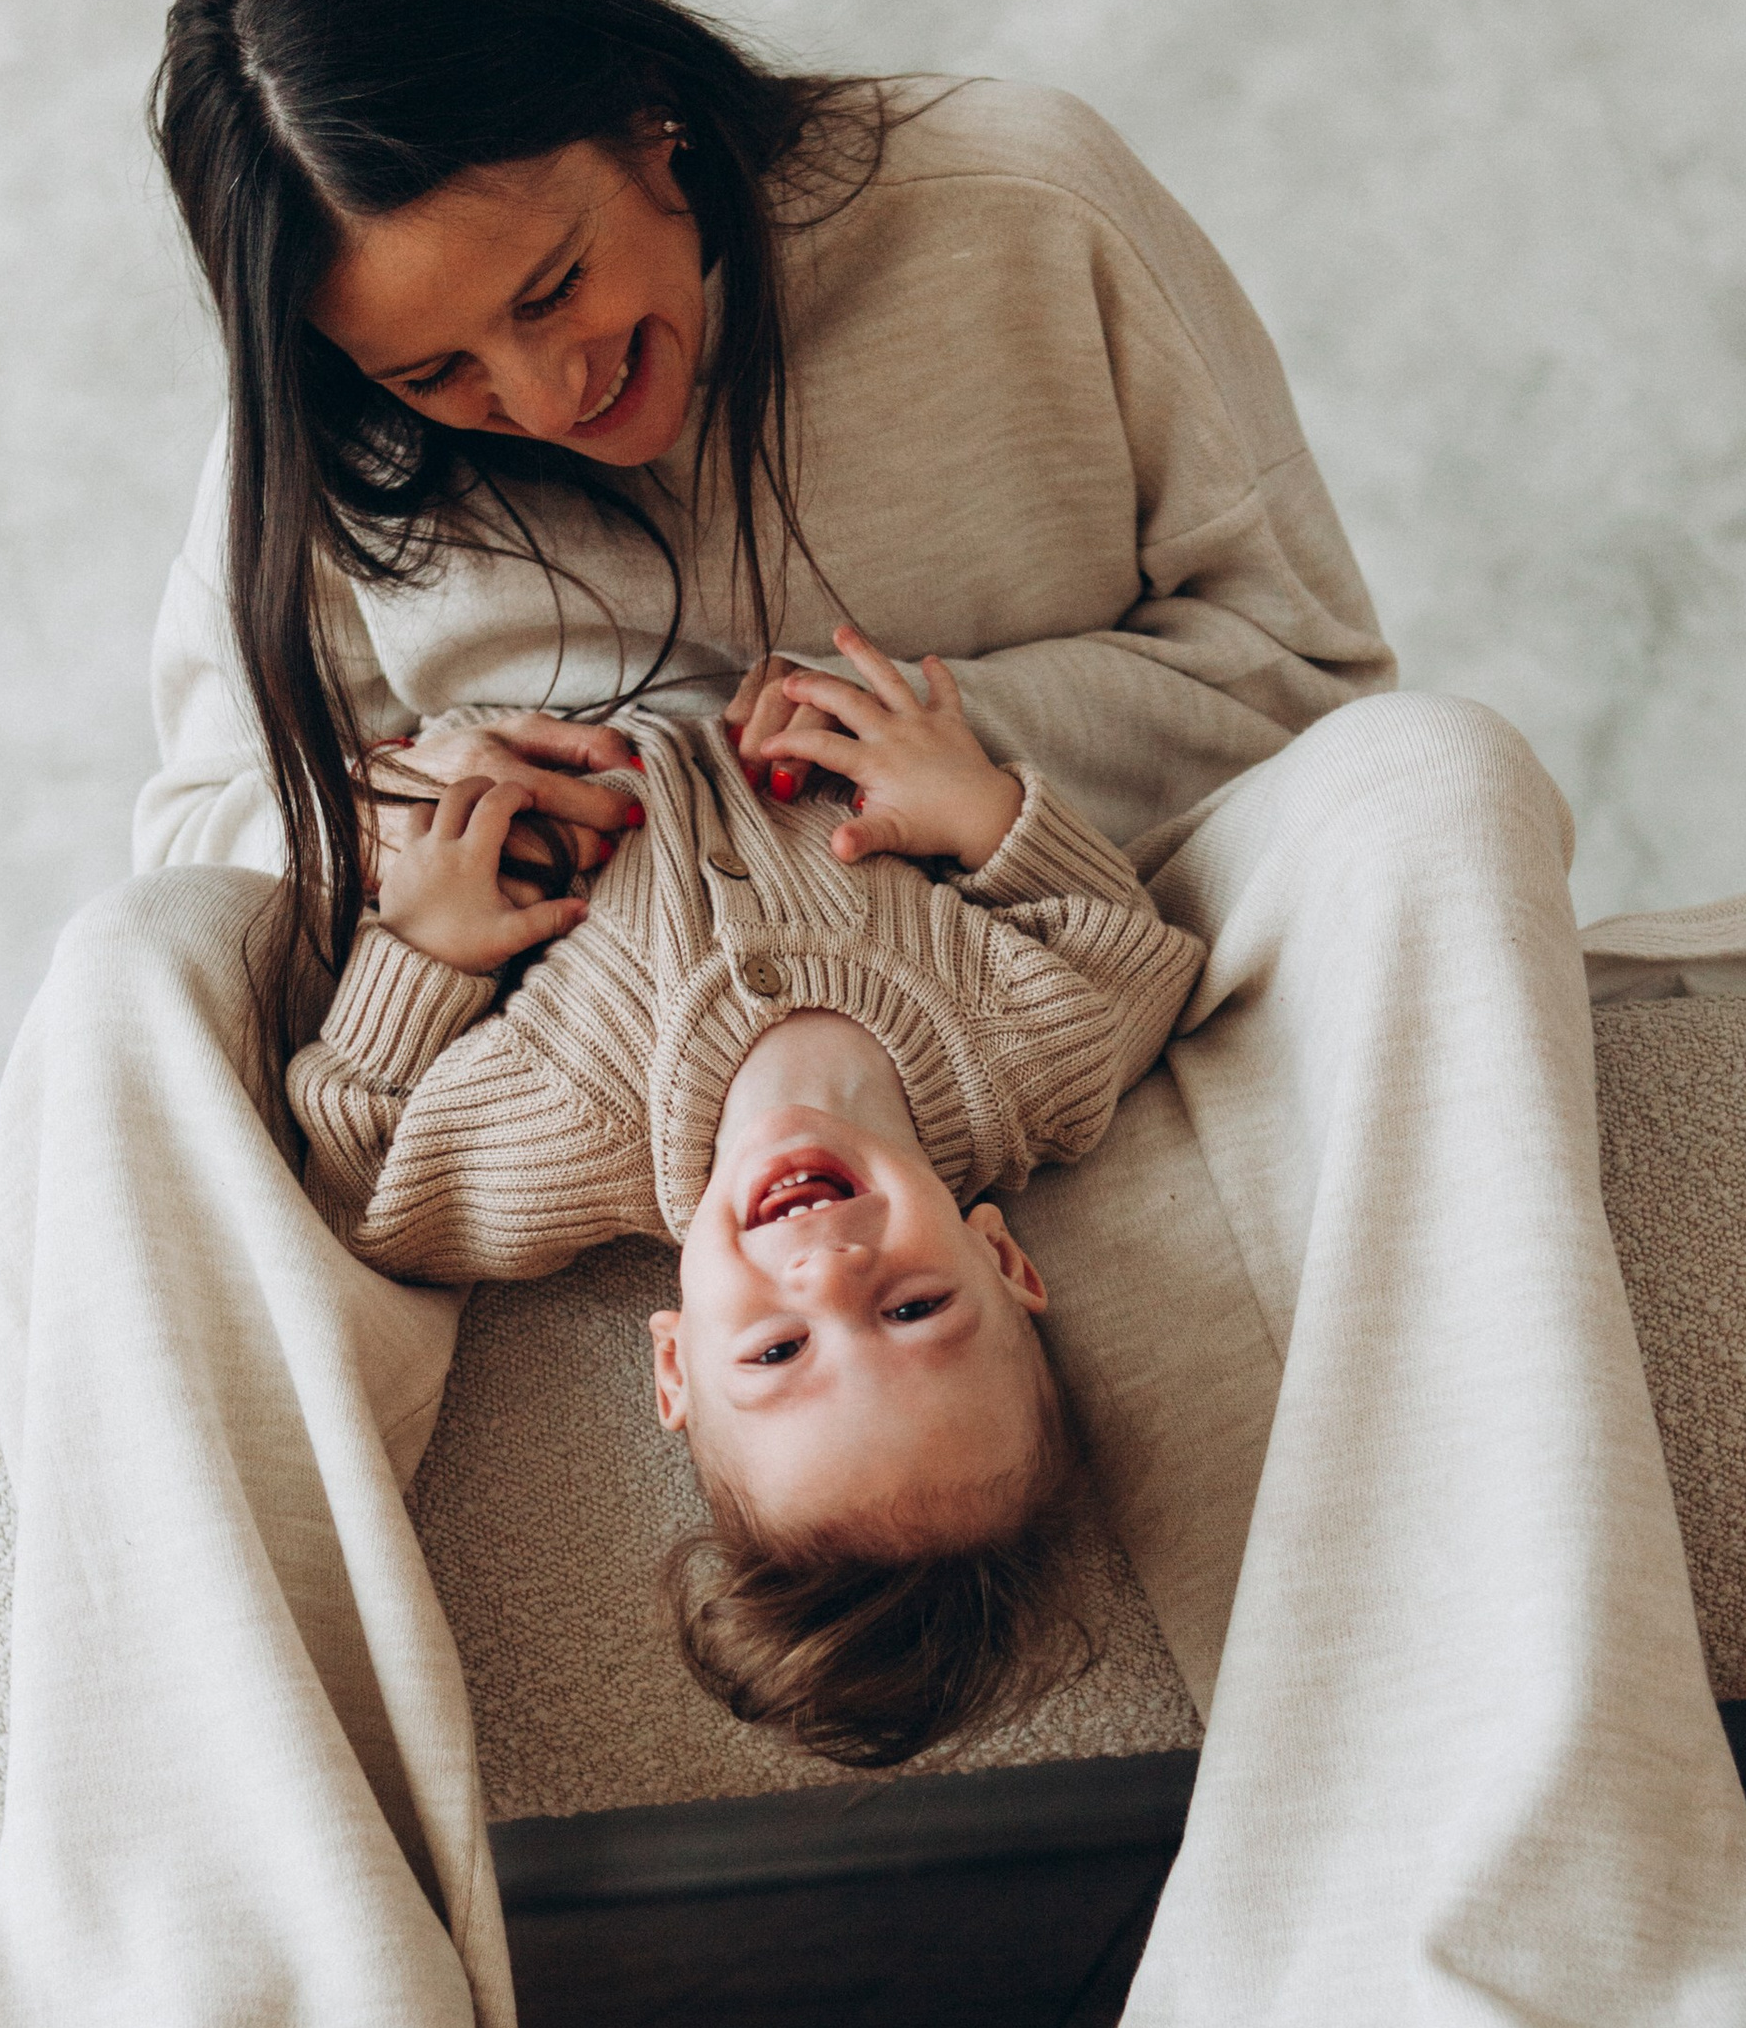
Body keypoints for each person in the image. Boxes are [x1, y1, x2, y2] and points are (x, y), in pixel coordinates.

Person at [0, 0, 1746, 2028]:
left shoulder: (1015, 198)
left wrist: (965, 751)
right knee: (114, 982)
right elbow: (216, 841)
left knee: (1439, 784)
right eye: (437, 381)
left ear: (658, 131)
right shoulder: (315, 437)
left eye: (549, 291)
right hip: (562, 992)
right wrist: (405, 853)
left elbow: (1300, 656)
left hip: (1041, 868)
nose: (532, 395)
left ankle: (1464, 1952)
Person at [289, 635, 1202, 1767]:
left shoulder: (563, 1130)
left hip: (520, 688)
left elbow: (366, 1182)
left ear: (673, 1364)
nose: (827, 1271)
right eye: (914, 1309)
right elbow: (1137, 957)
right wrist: (981, 810)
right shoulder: (1032, 1054)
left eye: (773, 1352)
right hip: (785, 630)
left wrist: (422, 947)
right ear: (1005, 1262)